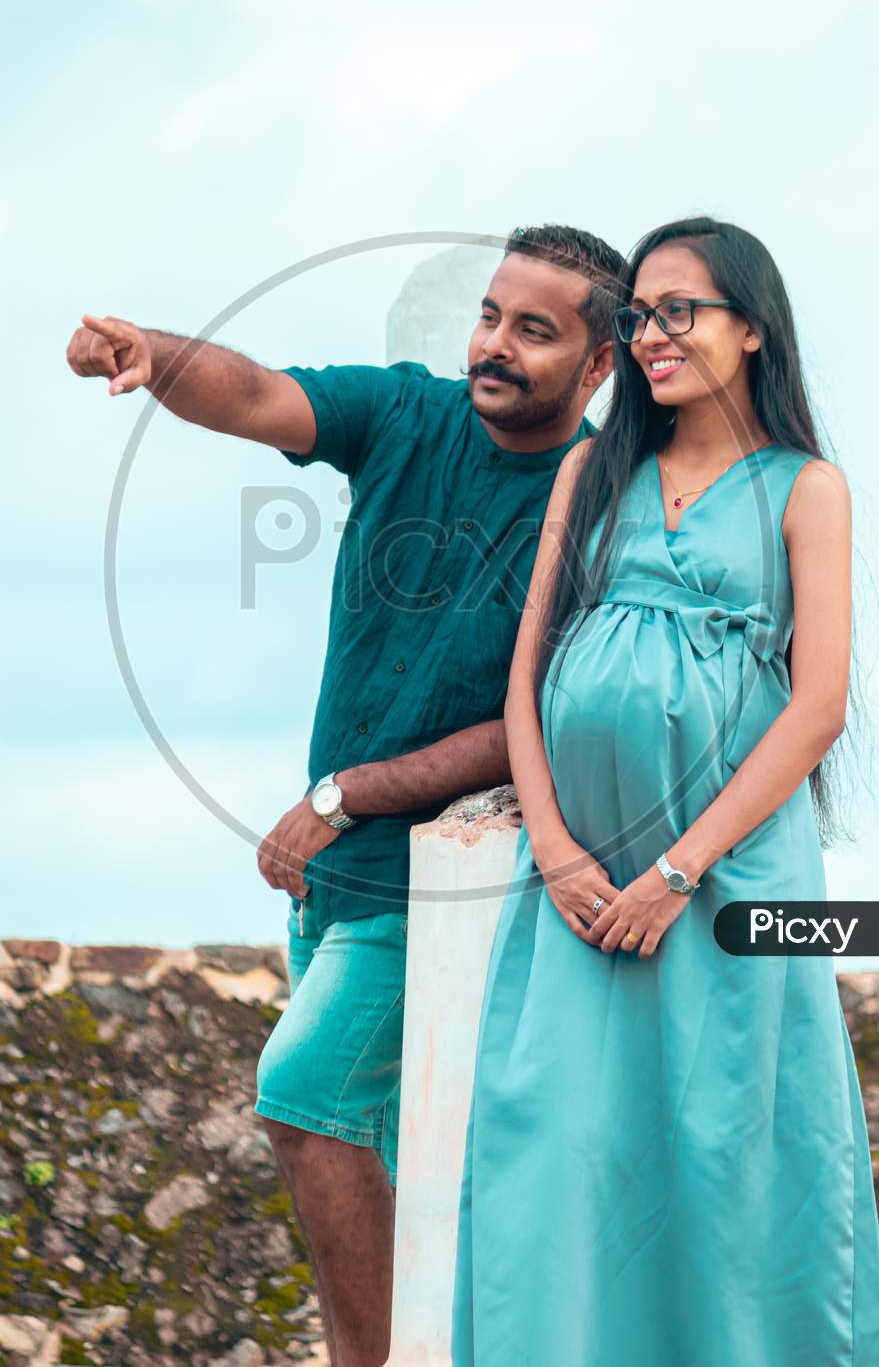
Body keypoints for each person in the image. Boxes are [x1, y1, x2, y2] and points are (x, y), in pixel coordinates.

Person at [65, 223, 625, 1367]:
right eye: (488, 315)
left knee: (302, 1098)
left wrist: (345, 792)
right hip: (330, 879)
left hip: (437, 883)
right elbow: (262, 393)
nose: (496, 346)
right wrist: (150, 350)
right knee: (392, 1150)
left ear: (601, 361)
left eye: (535, 330)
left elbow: (541, 720)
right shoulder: (411, 414)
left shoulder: (610, 504)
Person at [451, 216, 879, 1367]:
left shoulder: (809, 489)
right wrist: (557, 851)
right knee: (557, 1149)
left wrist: (676, 871)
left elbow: (819, 707)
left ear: (750, 327)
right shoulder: (598, 467)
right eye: (639, 314)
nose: (651, 333)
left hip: (725, 884)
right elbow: (526, 675)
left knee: (734, 1162)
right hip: (578, 890)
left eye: (677, 309)